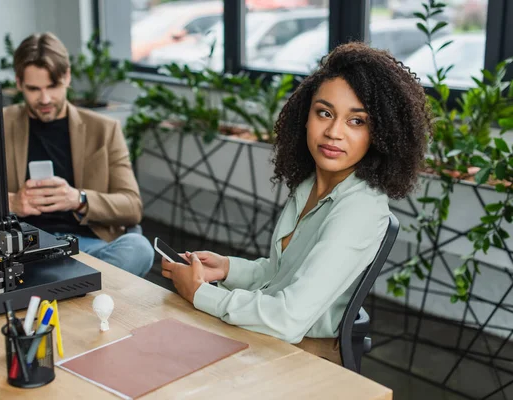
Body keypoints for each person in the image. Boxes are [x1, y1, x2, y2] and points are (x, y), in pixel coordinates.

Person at [161, 42, 430, 362]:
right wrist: (227, 268)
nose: (333, 132)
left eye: (356, 121)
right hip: (265, 341)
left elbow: (288, 318)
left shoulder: (360, 209)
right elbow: (280, 275)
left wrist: (199, 293)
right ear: (306, 117)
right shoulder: (308, 187)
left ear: (379, 134)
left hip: (304, 357)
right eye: (325, 113)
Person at [0, 32, 154, 277]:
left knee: (139, 248)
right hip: (22, 247)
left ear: (67, 77)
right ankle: (80, 284)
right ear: (18, 83)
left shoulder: (104, 130)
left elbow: (132, 205)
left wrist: (78, 199)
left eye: (53, 86)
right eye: (34, 89)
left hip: (86, 248)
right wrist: (11, 202)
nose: (45, 99)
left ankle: (62, 281)